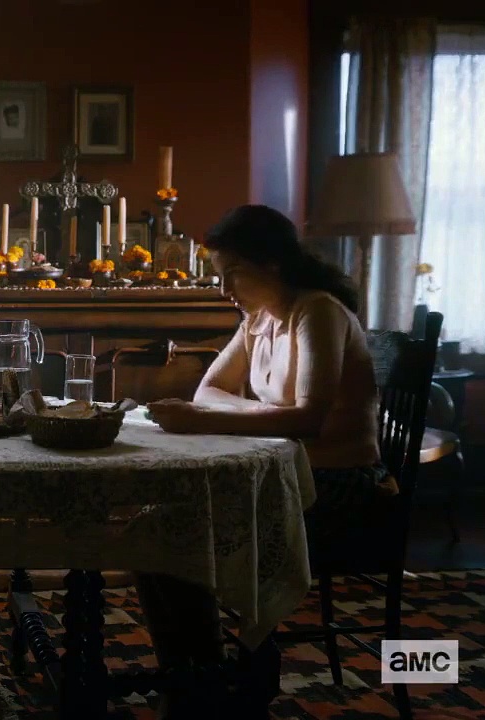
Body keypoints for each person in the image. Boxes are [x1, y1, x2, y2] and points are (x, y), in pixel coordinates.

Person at [142, 204, 389, 719]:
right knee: (155, 528)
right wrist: (258, 412)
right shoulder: (257, 320)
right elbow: (208, 391)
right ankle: (196, 675)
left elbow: (309, 420)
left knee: (176, 532)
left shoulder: (316, 311)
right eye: (219, 275)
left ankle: (218, 675)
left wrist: (210, 419)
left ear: (272, 263)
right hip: (284, 476)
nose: (223, 289)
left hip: (339, 486)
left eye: (232, 272)